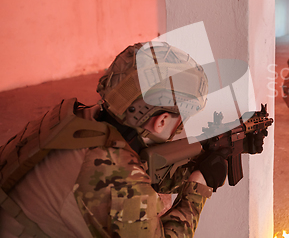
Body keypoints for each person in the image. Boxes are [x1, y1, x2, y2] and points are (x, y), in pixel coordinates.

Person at [0, 42, 229, 238]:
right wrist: (198, 186)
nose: (180, 127)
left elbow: (143, 164)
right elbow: (126, 181)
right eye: (181, 119)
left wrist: (193, 163)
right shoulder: (120, 177)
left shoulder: (83, 119)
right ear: (161, 121)